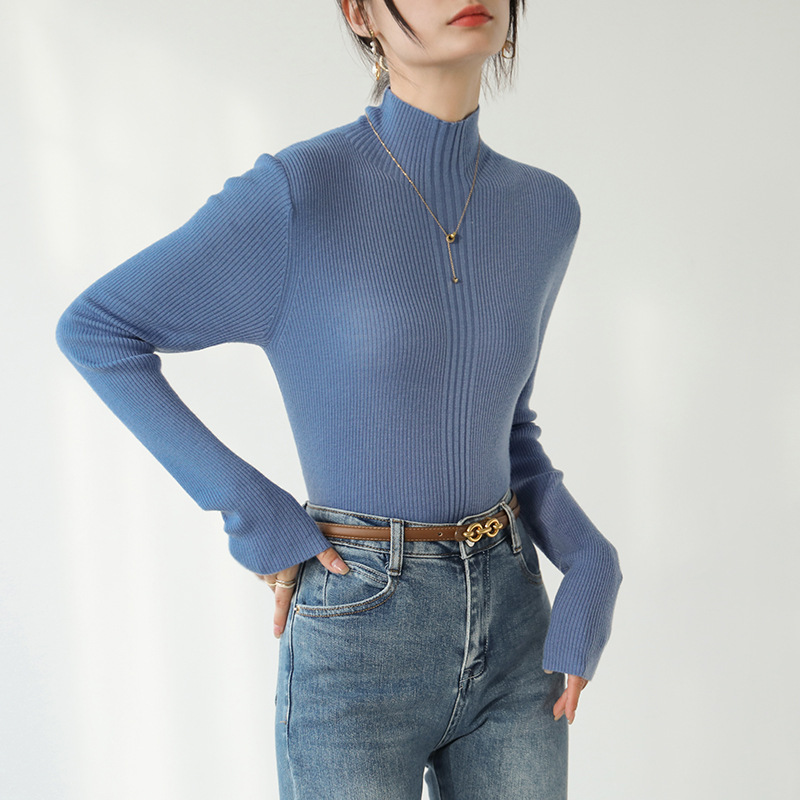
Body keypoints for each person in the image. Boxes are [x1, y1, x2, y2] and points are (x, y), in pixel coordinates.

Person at [55, 1, 623, 797]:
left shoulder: (545, 210)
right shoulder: (297, 193)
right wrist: (257, 515)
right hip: (358, 617)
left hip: (514, 613)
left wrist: (591, 557)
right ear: (360, 13)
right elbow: (97, 329)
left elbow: (507, 425)